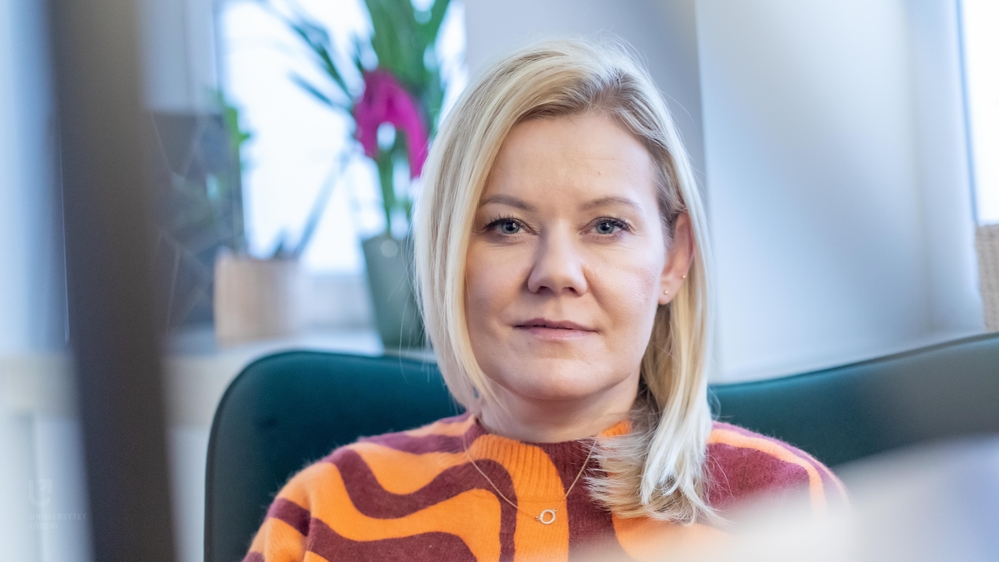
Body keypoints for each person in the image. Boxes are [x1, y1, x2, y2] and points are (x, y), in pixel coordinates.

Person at [244, 39, 846, 562]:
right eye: (507, 226)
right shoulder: (323, 511)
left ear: (673, 258)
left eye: (606, 226)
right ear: (448, 257)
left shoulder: (788, 508)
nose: (555, 273)